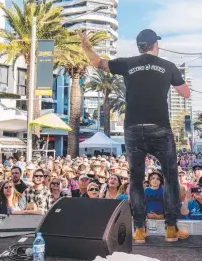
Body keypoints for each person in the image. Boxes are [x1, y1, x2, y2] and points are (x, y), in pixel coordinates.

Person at [81, 28, 191, 244]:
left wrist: (85, 45)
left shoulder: (128, 63)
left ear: (140, 46)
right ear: (155, 45)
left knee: (136, 179)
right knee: (170, 177)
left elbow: (99, 63)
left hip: (132, 128)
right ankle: (170, 228)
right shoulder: (168, 66)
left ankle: (140, 230)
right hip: (160, 127)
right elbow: (185, 93)